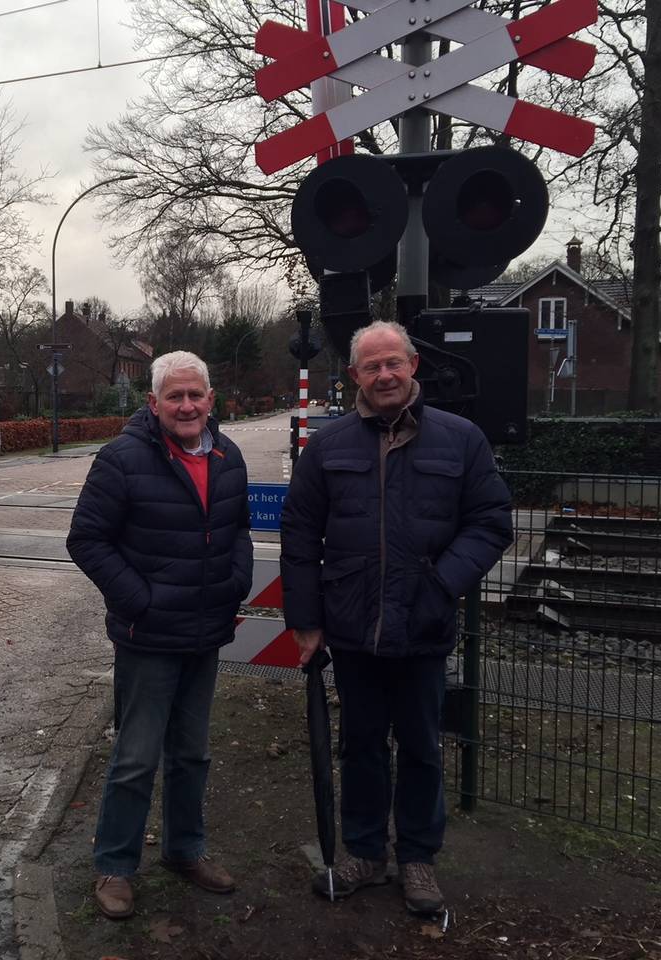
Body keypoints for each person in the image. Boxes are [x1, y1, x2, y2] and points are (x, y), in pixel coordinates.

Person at [280, 320, 512, 916]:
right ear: (355, 375)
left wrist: (443, 584)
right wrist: (305, 620)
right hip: (353, 628)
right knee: (359, 745)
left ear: (413, 366)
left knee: (421, 747)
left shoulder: (461, 440)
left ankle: (417, 858)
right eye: (371, 366)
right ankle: (363, 851)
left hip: (423, 625)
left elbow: (490, 522)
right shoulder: (328, 446)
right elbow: (301, 535)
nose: (384, 375)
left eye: (393, 363)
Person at [67, 350, 253, 920]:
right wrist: (140, 601)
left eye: (196, 394)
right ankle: (116, 867)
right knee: (135, 757)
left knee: (192, 754)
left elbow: (238, 530)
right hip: (148, 637)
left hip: (206, 630)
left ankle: (184, 850)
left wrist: (236, 581)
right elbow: (87, 540)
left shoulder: (228, 455)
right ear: (154, 403)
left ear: (211, 400)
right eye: (175, 396)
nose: (187, 405)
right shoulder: (122, 458)